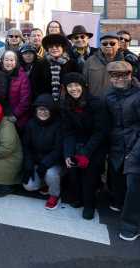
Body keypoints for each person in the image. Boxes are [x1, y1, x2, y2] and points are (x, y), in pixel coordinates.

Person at [61, 72, 108, 220]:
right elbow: (68, 132)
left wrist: (85, 153)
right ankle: (79, 197)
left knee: (89, 173)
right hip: (78, 142)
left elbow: (101, 132)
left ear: (83, 86)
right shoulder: (66, 105)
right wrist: (68, 153)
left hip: (96, 144)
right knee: (73, 169)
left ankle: (89, 204)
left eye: (76, 85)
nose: (73, 89)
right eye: (70, 86)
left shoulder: (96, 103)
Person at [104, 61, 140, 241]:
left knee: (134, 183)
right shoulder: (109, 95)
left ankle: (131, 225)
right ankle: (118, 201)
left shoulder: (138, 95)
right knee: (116, 174)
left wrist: (134, 149)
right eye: (114, 76)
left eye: (123, 75)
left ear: (130, 75)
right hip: (116, 143)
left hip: (135, 143)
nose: (118, 79)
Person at [22, 94, 63, 210]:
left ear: (52, 111)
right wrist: (28, 163)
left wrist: (45, 164)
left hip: (54, 163)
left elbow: (58, 149)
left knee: (51, 174)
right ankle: (45, 184)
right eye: (40, 109)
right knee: (29, 186)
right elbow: (26, 146)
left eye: (46, 109)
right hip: (37, 162)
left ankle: (55, 194)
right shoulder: (31, 124)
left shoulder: (58, 124)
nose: (43, 112)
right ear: (36, 110)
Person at [83, 32, 124, 97]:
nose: (108, 46)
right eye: (104, 44)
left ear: (118, 45)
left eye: (112, 43)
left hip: (115, 103)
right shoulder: (90, 61)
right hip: (94, 102)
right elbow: (84, 83)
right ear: (101, 46)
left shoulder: (124, 63)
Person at [0, 50, 31, 129]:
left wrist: (15, 115)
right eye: (6, 60)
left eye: (11, 60)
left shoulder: (23, 77)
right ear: (2, 61)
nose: (9, 63)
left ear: (16, 62)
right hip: (0, 114)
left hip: (16, 117)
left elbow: (25, 100)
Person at [41, 34, 78, 102]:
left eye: (57, 46)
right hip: (46, 102)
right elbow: (35, 84)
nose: (54, 48)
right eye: (51, 46)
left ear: (62, 48)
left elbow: (76, 83)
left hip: (68, 101)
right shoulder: (41, 63)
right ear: (47, 49)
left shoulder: (72, 63)